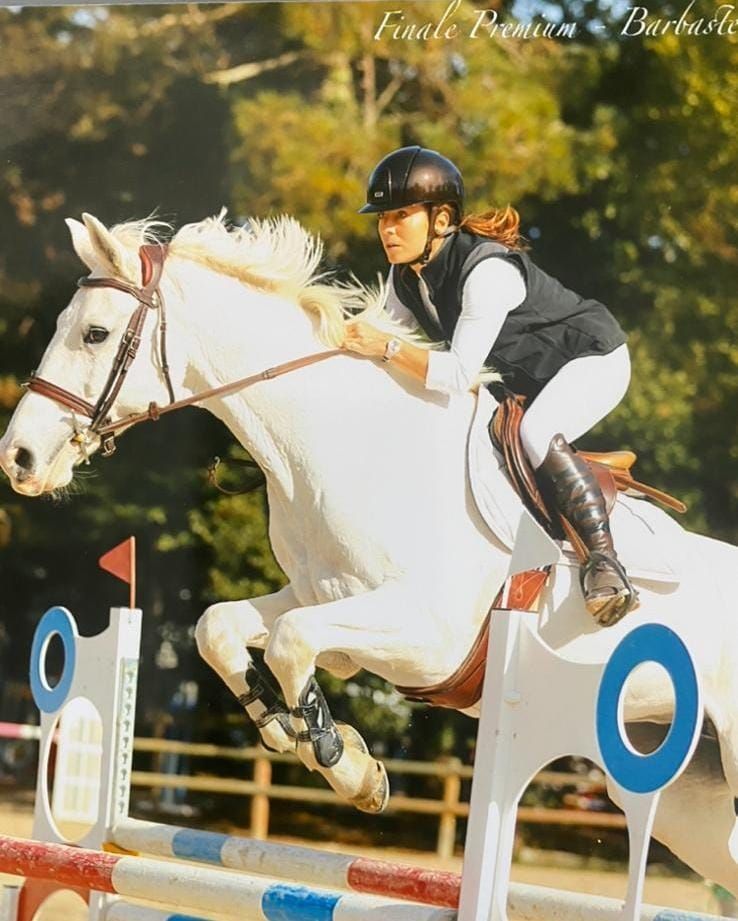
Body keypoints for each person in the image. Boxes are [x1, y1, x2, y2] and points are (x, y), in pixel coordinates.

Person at [343, 145, 636, 626]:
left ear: (440, 220)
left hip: (594, 359)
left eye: (400, 215)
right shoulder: (405, 278)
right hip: (531, 380)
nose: (387, 229)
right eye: (381, 219)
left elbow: (455, 375)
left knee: (536, 434)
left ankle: (605, 564)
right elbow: (369, 339)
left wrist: (387, 349)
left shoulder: (487, 272)